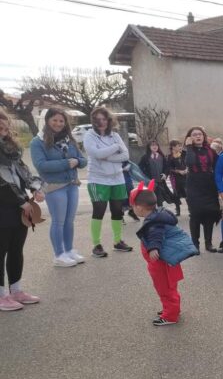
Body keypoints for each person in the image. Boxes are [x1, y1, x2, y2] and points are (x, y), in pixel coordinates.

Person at [132, 182, 197, 326]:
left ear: (139, 208)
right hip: (165, 262)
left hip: (160, 263)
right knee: (170, 287)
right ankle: (171, 309)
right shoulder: (158, 215)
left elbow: (155, 235)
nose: (133, 209)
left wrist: (154, 248)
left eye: (133, 206)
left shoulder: (153, 222)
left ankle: (170, 316)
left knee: (165, 289)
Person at [29, 108, 87, 267]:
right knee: (59, 221)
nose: (58, 123)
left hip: (72, 184)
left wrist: (78, 161)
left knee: (69, 221)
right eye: (54, 120)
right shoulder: (37, 142)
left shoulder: (70, 139)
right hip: (54, 187)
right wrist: (67, 163)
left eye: (61, 121)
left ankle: (69, 250)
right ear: (47, 120)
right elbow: (41, 165)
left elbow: (83, 160)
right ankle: (59, 254)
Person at [0, 108, 44, 310]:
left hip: (19, 207)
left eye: (3, 124)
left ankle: (16, 289)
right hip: (5, 206)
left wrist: (36, 188)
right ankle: (1, 296)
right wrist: (21, 201)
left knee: (16, 249)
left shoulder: (11, 149)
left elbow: (23, 172)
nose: (2, 128)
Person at [83, 107, 133, 257]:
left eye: (104, 119)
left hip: (117, 178)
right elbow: (96, 154)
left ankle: (117, 241)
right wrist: (115, 148)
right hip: (98, 179)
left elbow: (125, 155)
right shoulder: (89, 136)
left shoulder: (115, 136)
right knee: (99, 211)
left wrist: (108, 155)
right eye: (98, 120)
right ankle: (96, 245)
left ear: (109, 120)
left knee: (117, 210)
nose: (101, 122)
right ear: (93, 121)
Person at [184, 126, 220, 253]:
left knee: (209, 214)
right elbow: (190, 162)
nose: (198, 136)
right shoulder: (188, 150)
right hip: (193, 185)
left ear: (204, 136)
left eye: (200, 134)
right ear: (189, 138)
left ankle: (208, 243)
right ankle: (195, 244)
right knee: (195, 215)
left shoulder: (210, 150)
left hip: (208, 185)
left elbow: (218, 167)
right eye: (194, 135)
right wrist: (189, 147)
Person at [138, 140, 167, 207]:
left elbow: (166, 167)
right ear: (149, 147)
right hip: (150, 181)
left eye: (156, 145)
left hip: (160, 181)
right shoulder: (145, 157)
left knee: (160, 198)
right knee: (151, 198)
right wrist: (145, 176)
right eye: (152, 145)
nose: (155, 146)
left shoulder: (162, 156)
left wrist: (165, 174)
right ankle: (153, 212)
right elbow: (140, 167)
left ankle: (160, 211)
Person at [167, 140, 187, 216]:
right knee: (176, 194)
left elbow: (190, 163)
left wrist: (187, 169)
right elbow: (169, 168)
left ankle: (191, 210)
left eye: (180, 145)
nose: (180, 147)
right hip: (175, 178)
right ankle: (178, 210)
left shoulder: (185, 153)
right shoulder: (170, 156)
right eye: (178, 146)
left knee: (187, 193)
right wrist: (178, 171)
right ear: (173, 147)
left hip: (186, 176)